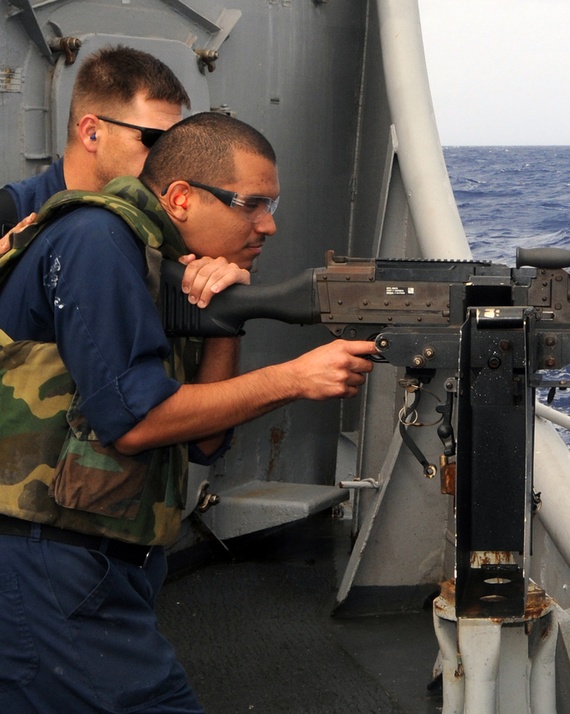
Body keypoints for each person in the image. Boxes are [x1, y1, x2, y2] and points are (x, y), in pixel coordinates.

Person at [0, 111, 378, 712]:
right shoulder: (97, 241)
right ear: (179, 197)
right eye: (250, 204)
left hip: (97, 565)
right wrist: (295, 378)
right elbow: (136, 423)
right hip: (47, 565)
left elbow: (204, 443)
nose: (268, 225)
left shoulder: (156, 262)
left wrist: (226, 314)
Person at [0, 44, 190, 250]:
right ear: (92, 134)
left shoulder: (173, 221)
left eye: (174, 142)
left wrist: (211, 273)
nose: (168, 157)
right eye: (154, 139)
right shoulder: (10, 215)